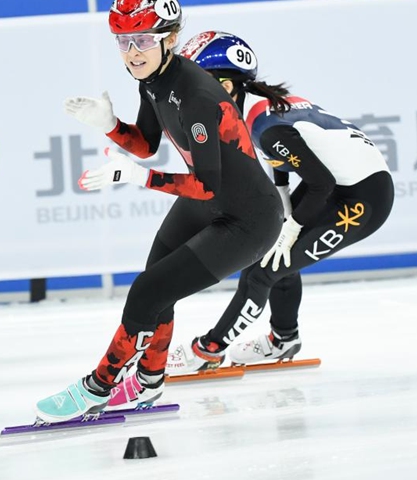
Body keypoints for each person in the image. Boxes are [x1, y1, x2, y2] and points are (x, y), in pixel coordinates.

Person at [33, 1, 284, 423]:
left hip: (248, 219)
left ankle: (99, 386)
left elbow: (206, 183)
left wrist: (138, 177)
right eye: (123, 41)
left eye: (143, 40)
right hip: (210, 204)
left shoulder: (199, 95)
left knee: (147, 292)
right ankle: (149, 379)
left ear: (169, 39)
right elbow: (148, 144)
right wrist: (109, 124)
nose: (132, 52)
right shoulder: (151, 77)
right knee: (156, 283)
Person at [167, 31, 394, 373]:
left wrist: (294, 225)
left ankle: (210, 349)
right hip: (341, 184)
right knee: (269, 249)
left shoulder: (266, 126)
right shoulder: (260, 105)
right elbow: (288, 163)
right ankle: (283, 338)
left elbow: (320, 182)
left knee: (261, 272)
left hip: (363, 198)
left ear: (227, 87)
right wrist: (285, 206)